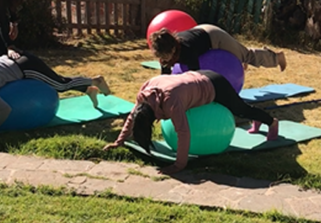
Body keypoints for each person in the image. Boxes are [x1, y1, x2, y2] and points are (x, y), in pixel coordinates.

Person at [103, 70, 279, 174]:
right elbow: (132, 118)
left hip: (213, 84)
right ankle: (257, 120)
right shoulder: (144, 96)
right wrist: (118, 142)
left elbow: (183, 131)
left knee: (241, 109)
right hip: (194, 79)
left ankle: (271, 122)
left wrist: (178, 165)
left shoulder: (170, 101)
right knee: (241, 108)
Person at [0, 53, 111, 133]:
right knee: (59, 82)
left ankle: (95, 81)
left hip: (25, 67)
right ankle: (89, 91)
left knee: (60, 85)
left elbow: (5, 109)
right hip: (14, 63)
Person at [150, 24, 287, 74]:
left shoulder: (187, 50)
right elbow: (165, 77)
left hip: (214, 36)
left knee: (246, 55)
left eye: (165, 56)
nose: (163, 59)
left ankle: (277, 58)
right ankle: (239, 61)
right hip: (199, 33)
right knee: (241, 57)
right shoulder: (165, 53)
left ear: (172, 49)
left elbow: (197, 78)